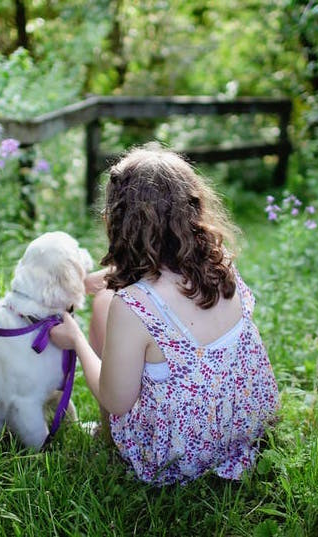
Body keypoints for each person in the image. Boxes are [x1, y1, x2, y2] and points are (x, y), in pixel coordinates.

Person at [49, 144, 280, 485]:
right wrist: (111, 277)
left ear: (118, 221)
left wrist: (77, 341)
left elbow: (117, 401)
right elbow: (166, 286)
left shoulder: (132, 306)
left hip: (177, 453)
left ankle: (107, 436)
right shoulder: (221, 265)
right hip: (243, 427)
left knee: (103, 305)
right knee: (109, 300)